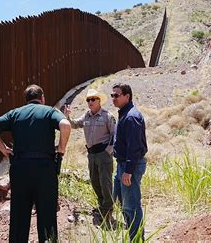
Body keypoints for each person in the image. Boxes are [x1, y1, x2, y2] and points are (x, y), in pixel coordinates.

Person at [0, 84, 71, 242]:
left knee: (19, 215)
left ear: (26, 100)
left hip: (20, 168)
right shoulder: (49, 111)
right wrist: (61, 149)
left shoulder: (15, 113)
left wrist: (3, 149)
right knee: (47, 214)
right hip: (45, 169)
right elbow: (65, 125)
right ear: (42, 98)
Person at [63, 89, 116, 224]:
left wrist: (108, 151)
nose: (90, 102)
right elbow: (74, 124)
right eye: (88, 100)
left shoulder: (107, 116)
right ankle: (102, 205)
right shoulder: (86, 116)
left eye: (93, 99)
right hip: (91, 154)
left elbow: (114, 135)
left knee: (106, 183)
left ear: (99, 100)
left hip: (103, 154)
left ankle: (108, 209)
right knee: (94, 181)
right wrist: (67, 117)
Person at [111, 83, 148, 241]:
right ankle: (133, 235)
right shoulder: (124, 114)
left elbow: (135, 147)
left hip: (129, 166)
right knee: (121, 201)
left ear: (127, 96)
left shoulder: (131, 117)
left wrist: (129, 170)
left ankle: (137, 239)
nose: (113, 98)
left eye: (117, 95)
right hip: (122, 165)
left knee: (131, 206)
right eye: (112, 95)